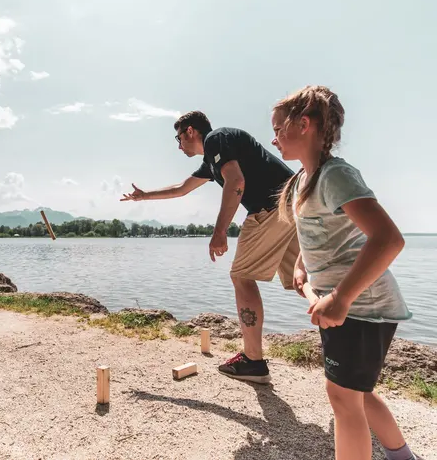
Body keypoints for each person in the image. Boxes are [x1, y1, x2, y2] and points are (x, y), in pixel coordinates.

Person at [271, 85, 416, 460]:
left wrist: (340, 297)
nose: (273, 139)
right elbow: (320, 231)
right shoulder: (300, 181)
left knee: (342, 398)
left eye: (277, 128)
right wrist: (303, 265)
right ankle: (403, 457)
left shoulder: (335, 175)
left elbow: (388, 239)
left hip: (362, 305)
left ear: (304, 124)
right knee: (357, 393)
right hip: (346, 307)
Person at [121, 111, 300, 383]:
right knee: (306, 281)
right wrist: (145, 196)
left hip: (271, 207)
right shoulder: (213, 157)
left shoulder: (217, 139)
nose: (178, 145)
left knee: (242, 277)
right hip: (297, 205)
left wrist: (219, 232)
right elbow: (182, 188)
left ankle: (253, 362)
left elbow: (236, 182)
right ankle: (351, 344)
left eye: (178, 138)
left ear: (190, 131)